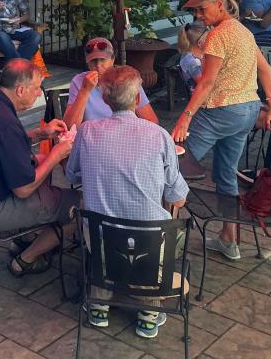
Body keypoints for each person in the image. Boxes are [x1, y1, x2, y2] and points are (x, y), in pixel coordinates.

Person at [65, 65, 188, 337]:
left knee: (98, 223)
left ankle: (99, 305)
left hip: (100, 240)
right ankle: (148, 310)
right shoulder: (160, 136)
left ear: (106, 100)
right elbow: (177, 196)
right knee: (167, 227)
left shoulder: (87, 132)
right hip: (149, 242)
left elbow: (71, 174)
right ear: (136, 100)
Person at [172, 0, 271, 261]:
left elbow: (206, 82)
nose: (198, 15)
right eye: (195, 10)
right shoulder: (243, 31)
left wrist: (185, 117)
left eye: (202, 8)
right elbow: (265, 69)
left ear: (219, 4)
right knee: (225, 175)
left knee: (173, 165)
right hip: (247, 111)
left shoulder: (219, 34)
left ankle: (165, 238)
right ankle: (229, 239)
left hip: (220, 110)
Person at [0, 59, 76, 276]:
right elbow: (23, 189)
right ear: (20, 90)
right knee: (83, 206)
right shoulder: (5, 124)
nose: (39, 93)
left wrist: (40, 133)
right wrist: (56, 155)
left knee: (39, 159)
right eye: (37, 88)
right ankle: (25, 260)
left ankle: (24, 239)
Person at [62, 36, 159, 128]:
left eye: (102, 60)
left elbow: (152, 122)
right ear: (87, 63)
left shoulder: (127, 78)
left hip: (124, 136)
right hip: (92, 138)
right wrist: (84, 91)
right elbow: (70, 126)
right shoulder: (79, 82)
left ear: (112, 60)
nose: (98, 66)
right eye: (93, 61)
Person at [176, 21, 206, 93]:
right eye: (209, 37)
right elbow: (203, 85)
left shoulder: (201, 54)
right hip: (203, 98)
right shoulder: (191, 61)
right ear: (200, 42)